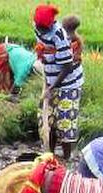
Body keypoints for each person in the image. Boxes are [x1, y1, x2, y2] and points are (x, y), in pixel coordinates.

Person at [33, 4, 84, 159]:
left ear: (50, 25)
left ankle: (67, 159)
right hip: (51, 80)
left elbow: (67, 66)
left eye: (43, 28)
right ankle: (50, 155)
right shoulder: (37, 28)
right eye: (39, 26)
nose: (40, 30)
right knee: (47, 120)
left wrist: (52, 87)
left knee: (65, 122)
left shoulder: (59, 37)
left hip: (68, 84)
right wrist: (48, 83)